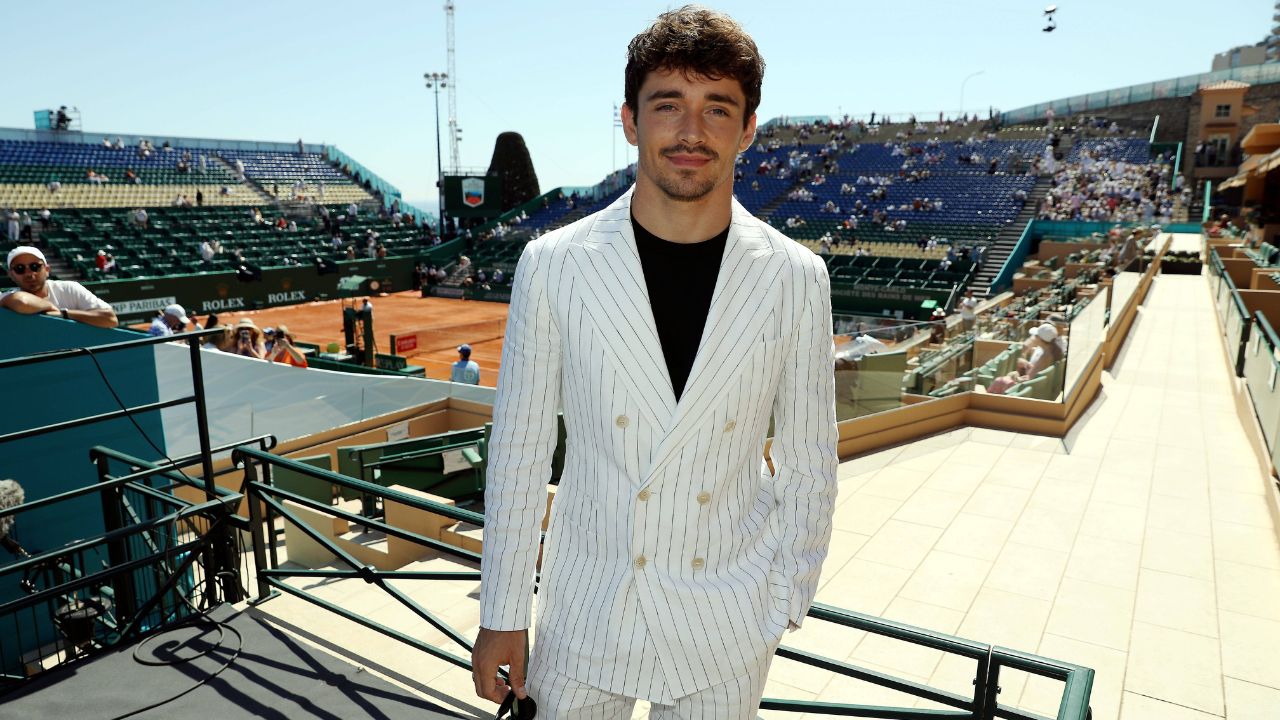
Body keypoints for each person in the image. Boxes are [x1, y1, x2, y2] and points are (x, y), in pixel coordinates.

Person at [472, 8, 838, 718]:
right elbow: (519, 451)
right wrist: (502, 611)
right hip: (586, 612)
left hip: (726, 620)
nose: (691, 132)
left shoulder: (797, 277)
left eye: (717, 109)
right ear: (631, 120)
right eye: (667, 105)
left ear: (748, 127)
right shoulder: (552, 265)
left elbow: (809, 458)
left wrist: (784, 598)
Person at [2, 246, 117, 328]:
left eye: (35, 266)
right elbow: (22, 302)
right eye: (20, 268)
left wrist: (64, 314)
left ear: (47, 270)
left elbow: (110, 319)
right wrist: (50, 308)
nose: (29, 273)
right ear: (11, 274)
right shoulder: (8, 297)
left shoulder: (69, 288)